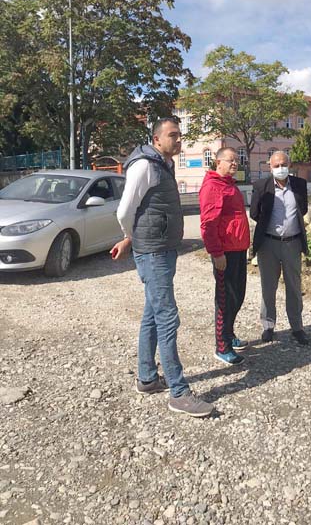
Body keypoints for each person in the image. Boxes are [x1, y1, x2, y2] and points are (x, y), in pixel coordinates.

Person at [111, 117, 214, 418]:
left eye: (180, 135)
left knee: (152, 314)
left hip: (163, 249)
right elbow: (125, 210)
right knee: (168, 317)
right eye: (172, 135)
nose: (178, 140)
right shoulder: (144, 165)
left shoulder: (164, 164)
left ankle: (146, 378)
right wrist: (131, 237)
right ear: (156, 139)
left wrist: (133, 239)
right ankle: (179, 393)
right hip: (153, 252)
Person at [250, 150, 309, 345]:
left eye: (283, 164)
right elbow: (254, 213)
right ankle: (268, 326)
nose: (280, 168)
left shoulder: (299, 185)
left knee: (294, 287)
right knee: (268, 287)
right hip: (268, 244)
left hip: (292, 243)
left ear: (289, 165)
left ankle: (297, 327)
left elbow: (303, 209)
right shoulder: (261, 186)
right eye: (276, 166)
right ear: (270, 167)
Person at [199, 147, 251, 366]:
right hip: (225, 252)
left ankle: (229, 334)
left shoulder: (229, 184)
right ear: (218, 162)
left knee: (237, 295)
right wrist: (217, 253)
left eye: (236, 160)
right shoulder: (213, 186)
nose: (235, 163)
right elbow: (208, 225)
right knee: (225, 299)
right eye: (230, 160)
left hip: (237, 248)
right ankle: (222, 347)